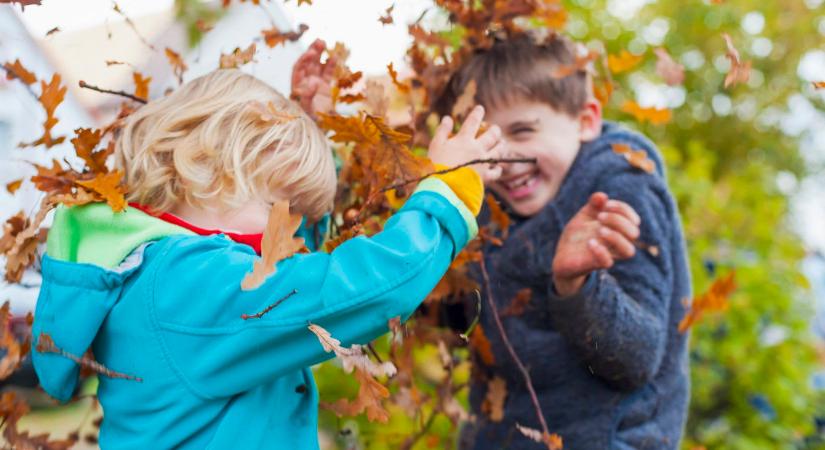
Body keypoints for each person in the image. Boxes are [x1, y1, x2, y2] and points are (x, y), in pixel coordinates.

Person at [31, 68, 505, 449]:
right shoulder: (188, 284)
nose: (293, 232)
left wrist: (307, 133)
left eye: (299, 214)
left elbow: (283, 267)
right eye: (280, 206)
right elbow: (355, 289)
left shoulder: (145, 272)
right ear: (200, 167)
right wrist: (446, 193)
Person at [432, 33, 692, 449]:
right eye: (488, 141)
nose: (503, 158)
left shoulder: (618, 190)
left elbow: (638, 359)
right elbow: (458, 319)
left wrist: (577, 286)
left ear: (585, 119)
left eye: (523, 131)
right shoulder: (485, 203)